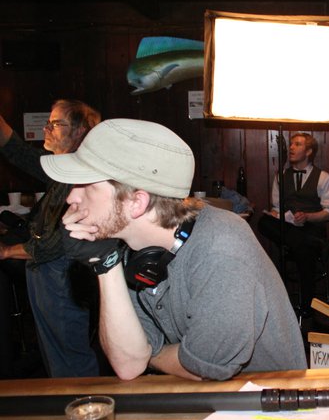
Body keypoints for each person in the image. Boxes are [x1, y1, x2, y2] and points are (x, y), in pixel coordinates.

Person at [42, 119, 306, 381]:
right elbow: (128, 365)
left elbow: (206, 368)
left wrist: (149, 352)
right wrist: (105, 264)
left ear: (136, 202)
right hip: (204, 400)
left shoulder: (222, 247)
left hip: (268, 404)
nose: (71, 198)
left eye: (87, 185)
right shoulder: (130, 248)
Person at [0, 99, 101, 377]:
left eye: (57, 124)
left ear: (80, 131)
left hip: (61, 273)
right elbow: (19, 153)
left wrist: (8, 252)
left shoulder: (80, 172)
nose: (47, 128)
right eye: (49, 122)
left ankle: (85, 412)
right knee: (57, 354)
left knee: (70, 355)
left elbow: (57, 243)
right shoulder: (63, 166)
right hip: (50, 271)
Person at [258, 132, 329, 317]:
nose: (291, 148)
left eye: (298, 144)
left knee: (303, 245)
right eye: (291, 144)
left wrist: (308, 217)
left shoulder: (323, 177)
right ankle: (307, 306)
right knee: (264, 222)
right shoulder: (281, 176)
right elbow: (277, 207)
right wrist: (275, 214)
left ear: (309, 151)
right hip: (289, 229)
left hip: (311, 230)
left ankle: (305, 306)